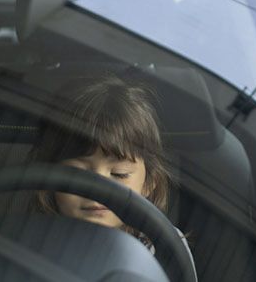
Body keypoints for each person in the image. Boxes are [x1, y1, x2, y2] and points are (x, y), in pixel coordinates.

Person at [29, 73, 190, 259]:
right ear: (49, 179)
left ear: (149, 184)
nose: (98, 191)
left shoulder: (165, 246)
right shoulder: (31, 243)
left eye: (119, 174)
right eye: (77, 173)